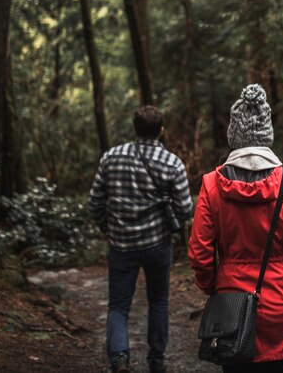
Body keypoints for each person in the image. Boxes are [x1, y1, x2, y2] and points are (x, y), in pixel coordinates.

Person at [188, 84, 283, 373]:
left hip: (230, 304)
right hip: (282, 306)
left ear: (233, 134)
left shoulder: (212, 185)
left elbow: (200, 254)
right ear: (267, 134)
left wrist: (214, 285)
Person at [89, 105, 193, 373]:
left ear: (135, 129)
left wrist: (108, 228)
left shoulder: (111, 157)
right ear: (161, 130)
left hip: (121, 245)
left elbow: (95, 202)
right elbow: (185, 208)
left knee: (118, 306)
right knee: (158, 301)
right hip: (158, 245)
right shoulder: (172, 163)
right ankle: (156, 360)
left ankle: (120, 359)